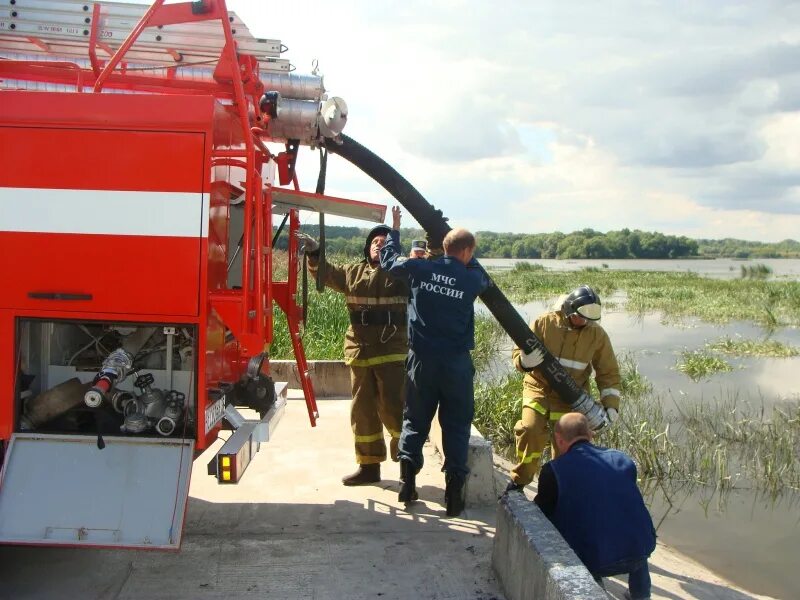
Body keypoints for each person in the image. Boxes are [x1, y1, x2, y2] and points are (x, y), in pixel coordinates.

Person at [380, 207, 490, 517]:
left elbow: (388, 262)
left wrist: (395, 230)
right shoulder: (470, 279)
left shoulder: (420, 269)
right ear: (467, 251)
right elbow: (482, 277)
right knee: (456, 426)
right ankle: (453, 495)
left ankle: (407, 483)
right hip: (455, 365)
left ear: (442, 247)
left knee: (414, 420)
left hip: (422, 361)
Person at [297, 226, 408, 486]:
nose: (378, 245)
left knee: (395, 409)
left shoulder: (402, 273)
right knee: (362, 411)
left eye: (384, 242)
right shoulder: (352, 272)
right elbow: (325, 274)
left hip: (390, 353)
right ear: (367, 247)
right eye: (374, 242)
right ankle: (369, 467)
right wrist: (314, 252)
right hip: (359, 351)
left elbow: (428, 269)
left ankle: (407, 464)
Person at [508, 285, 621, 490]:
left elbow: (608, 373)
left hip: (571, 396)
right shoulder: (544, 323)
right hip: (538, 388)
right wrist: (524, 361)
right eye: (580, 317)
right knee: (531, 431)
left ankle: (556, 489)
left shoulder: (597, 335)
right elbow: (517, 352)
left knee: (566, 449)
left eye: (588, 319)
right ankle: (519, 482)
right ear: (569, 309)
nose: (583, 322)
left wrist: (611, 405)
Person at [534, 413, 656, 600]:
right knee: (633, 534)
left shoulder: (554, 470)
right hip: (640, 550)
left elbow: (542, 515)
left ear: (559, 440)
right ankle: (641, 595)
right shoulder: (622, 459)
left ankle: (595, 589)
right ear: (590, 434)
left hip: (593, 559)